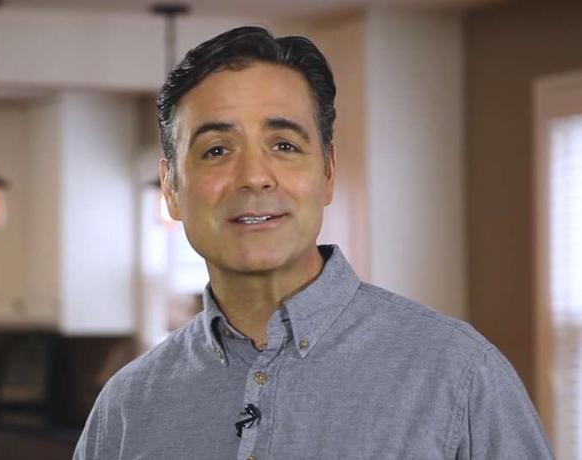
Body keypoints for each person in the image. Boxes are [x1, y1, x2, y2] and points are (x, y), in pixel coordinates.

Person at [73, 26, 553, 459]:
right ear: (172, 188)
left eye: (284, 145)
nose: (255, 177)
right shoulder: (127, 407)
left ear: (327, 171)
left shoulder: (459, 376)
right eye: (216, 150)